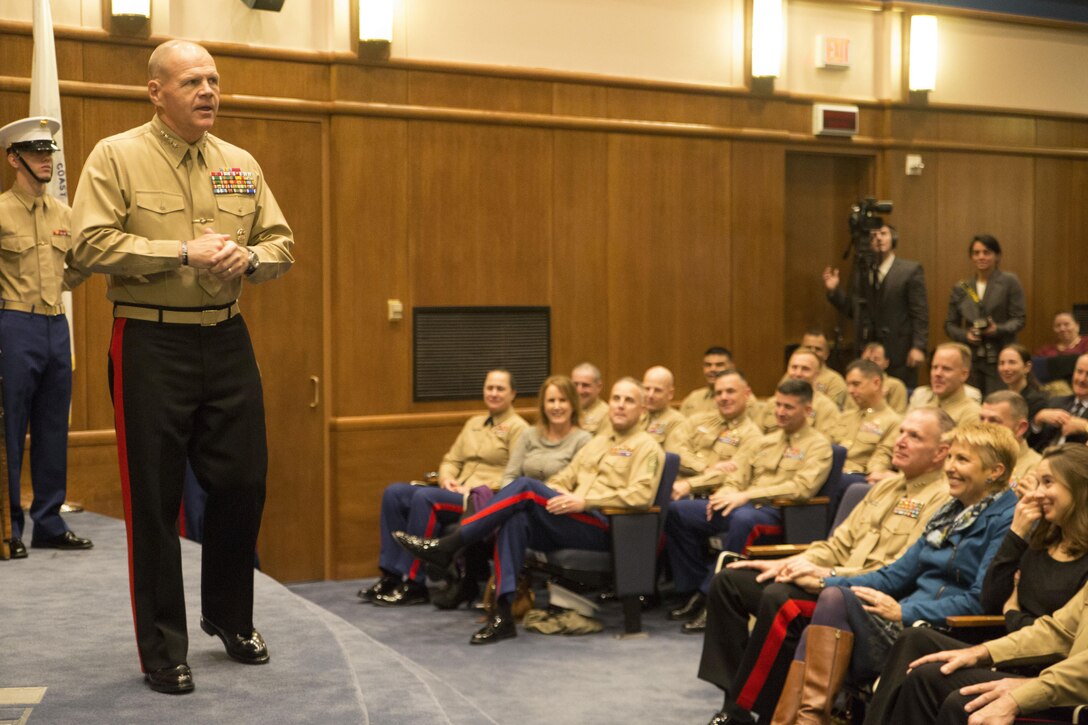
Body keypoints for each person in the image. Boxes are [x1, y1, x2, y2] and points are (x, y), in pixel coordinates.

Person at [70, 40, 294, 694]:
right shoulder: (117, 156)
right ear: (155, 92)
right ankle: (163, 648)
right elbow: (89, 242)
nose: (208, 91)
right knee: (155, 499)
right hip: (149, 340)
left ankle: (228, 615)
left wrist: (247, 260)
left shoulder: (239, 163)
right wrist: (181, 252)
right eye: (192, 80)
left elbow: (279, 241)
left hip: (226, 339)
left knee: (243, 482)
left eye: (214, 80)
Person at [697, 408, 953, 725]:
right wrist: (793, 563)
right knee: (730, 582)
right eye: (901, 432)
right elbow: (837, 544)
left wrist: (827, 576)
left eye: (914, 437)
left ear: (941, 452)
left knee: (782, 600)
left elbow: (896, 573)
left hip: (863, 598)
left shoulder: (942, 500)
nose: (900, 441)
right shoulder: (885, 488)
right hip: (828, 579)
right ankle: (733, 704)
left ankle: (762, 715)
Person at [769, 423, 1018, 725]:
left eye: (962, 460)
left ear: (995, 471)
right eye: (950, 457)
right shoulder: (950, 511)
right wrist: (825, 580)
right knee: (826, 608)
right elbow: (893, 576)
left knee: (830, 609)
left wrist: (903, 610)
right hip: (907, 618)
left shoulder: (1005, 519)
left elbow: (978, 601)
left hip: (942, 631)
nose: (950, 468)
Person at [394, 378, 664, 645]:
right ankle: (503, 616)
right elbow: (565, 477)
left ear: (642, 409)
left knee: (525, 486)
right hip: (571, 517)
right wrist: (558, 494)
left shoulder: (648, 447)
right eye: (616, 399)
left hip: (608, 525)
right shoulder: (598, 442)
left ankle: (451, 544)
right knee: (516, 519)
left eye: (629, 400)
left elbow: (641, 496)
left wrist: (586, 501)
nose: (619, 405)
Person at [865, 443, 1088, 724]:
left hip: (1057, 678)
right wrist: (1017, 533)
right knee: (918, 644)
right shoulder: (1041, 535)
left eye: (1048, 482)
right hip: (1022, 651)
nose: (1036, 493)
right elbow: (1008, 605)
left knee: (947, 688)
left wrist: (1012, 614)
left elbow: (1062, 647)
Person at [666, 379, 833, 633]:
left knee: (743, 520)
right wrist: (726, 493)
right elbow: (737, 475)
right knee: (679, 512)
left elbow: (801, 488)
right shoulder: (765, 440)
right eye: (777, 405)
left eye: (788, 407)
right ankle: (693, 589)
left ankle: (712, 600)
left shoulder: (819, 445)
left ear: (807, 410)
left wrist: (747, 495)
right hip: (741, 504)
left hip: (779, 514)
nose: (779, 412)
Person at [0, 116, 91, 559]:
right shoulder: (0, 210)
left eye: (48, 152)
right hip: (14, 324)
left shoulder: (64, 214)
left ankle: (50, 522)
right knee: (10, 428)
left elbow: (77, 264)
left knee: (54, 426)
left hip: (56, 325)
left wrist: (59, 282)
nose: (45, 159)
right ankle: (8, 526)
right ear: (14, 158)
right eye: (36, 152)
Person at [363, 369, 528, 607]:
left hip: (482, 498)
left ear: (513, 394)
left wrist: (472, 488)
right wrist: (447, 479)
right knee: (394, 493)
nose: (493, 393)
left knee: (425, 497)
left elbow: (514, 477)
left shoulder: (519, 429)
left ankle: (414, 583)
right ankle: (390, 576)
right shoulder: (474, 423)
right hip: (454, 490)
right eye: (489, 388)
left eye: (500, 389)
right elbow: (451, 460)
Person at [823, 224, 928, 386]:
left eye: (883, 234)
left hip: (899, 351)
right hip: (868, 350)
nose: (878, 238)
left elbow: (920, 312)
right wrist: (835, 291)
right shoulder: (863, 272)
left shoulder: (910, 270)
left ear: (893, 239)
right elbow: (855, 311)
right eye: (873, 236)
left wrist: (918, 347)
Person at [945, 234, 1026, 395]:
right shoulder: (962, 287)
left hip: (999, 357)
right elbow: (949, 325)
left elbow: (1019, 319)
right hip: (971, 359)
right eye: (976, 253)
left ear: (997, 256)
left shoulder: (1009, 281)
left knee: (997, 402)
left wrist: (997, 329)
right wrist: (965, 335)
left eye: (986, 252)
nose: (981, 257)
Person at [668, 371, 763, 500]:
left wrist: (690, 484)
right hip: (674, 489)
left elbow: (733, 475)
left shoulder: (752, 436)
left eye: (730, 391)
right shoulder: (696, 421)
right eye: (718, 393)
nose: (723, 397)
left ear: (746, 394)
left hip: (708, 497)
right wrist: (704, 468)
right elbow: (674, 450)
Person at [831, 359, 901, 484]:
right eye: (848, 385)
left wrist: (873, 475)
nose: (850, 390)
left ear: (876, 383)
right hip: (834, 472)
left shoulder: (893, 421)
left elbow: (882, 459)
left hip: (858, 478)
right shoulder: (845, 416)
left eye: (856, 384)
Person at [759, 350, 840, 437]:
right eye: (794, 367)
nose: (798, 374)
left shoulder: (827, 408)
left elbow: (825, 445)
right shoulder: (772, 403)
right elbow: (757, 438)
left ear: (817, 375)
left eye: (805, 369)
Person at [908, 343, 983, 427]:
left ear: (964, 375)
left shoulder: (972, 414)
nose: (937, 373)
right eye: (935, 367)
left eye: (946, 369)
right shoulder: (921, 402)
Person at [979, 391, 1041, 487]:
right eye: (982, 419)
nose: (984, 426)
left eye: (994, 420)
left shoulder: (1037, 467)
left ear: (1020, 428)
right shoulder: (975, 458)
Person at [1030, 353, 1088, 450]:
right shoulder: (1055, 402)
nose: (1081, 379)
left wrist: (1085, 426)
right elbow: (1031, 444)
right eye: (1079, 372)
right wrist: (1038, 420)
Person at [789, 330, 848, 408]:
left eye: (818, 349)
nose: (812, 352)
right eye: (808, 347)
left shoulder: (835, 381)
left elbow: (832, 411)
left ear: (827, 354)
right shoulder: (792, 375)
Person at [997, 344, 1047, 423]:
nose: (1005, 368)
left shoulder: (1037, 400)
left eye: (1012, 362)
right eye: (1001, 363)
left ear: (1027, 367)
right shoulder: (998, 396)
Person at [680, 346, 733, 418]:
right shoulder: (693, 399)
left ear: (731, 367)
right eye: (708, 365)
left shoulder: (744, 400)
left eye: (719, 365)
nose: (713, 369)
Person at [856, 342, 908, 413]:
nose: (871, 363)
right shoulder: (854, 385)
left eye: (876, 359)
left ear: (886, 363)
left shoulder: (896, 385)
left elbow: (899, 417)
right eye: (867, 360)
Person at [639, 366, 685, 446]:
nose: (650, 395)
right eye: (647, 389)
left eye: (657, 390)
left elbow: (670, 456)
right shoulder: (637, 417)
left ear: (670, 394)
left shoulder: (677, 422)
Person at [571, 362, 611, 435]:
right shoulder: (566, 411)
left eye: (585, 385)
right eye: (575, 384)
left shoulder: (607, 415)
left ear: (599, 387)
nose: (579, 391)